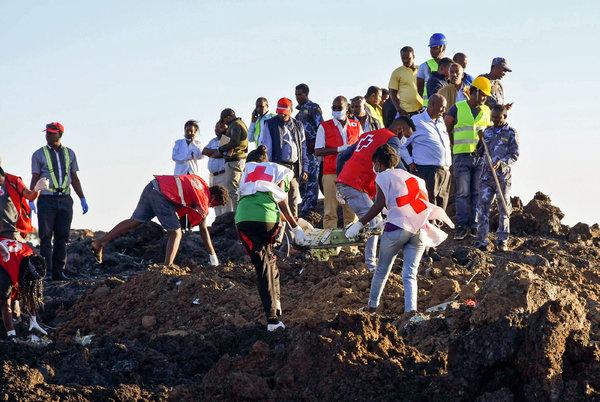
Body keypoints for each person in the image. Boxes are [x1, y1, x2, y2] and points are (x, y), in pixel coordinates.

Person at [345, 145, 453, 314]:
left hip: (397, 228)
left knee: (382, 270)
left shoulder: (383, 177)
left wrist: (360, 223)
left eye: (374, 164)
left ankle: (371, 308)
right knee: (410, 274)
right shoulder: (415, 178)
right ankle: (411, 312)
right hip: (420, 229)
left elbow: (378, 205)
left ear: (379, 164)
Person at [235, 145, 305, 331]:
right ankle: (277, 303)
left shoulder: (246, 171)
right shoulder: (277, 169)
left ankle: (272, 319)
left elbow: (248, 200)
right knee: (270, 258)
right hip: (268, 220)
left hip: (245, 219)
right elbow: (281, 201)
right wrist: (295, 225)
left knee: (262, 266)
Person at [91, 175, 227, 267]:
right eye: (215, 205)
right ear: (214, 197)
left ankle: (100, 242)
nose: (211, 207)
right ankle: (167, 267)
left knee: (134, 221)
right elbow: (203, 230)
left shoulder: (199, 182)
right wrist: (213, 256)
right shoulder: (204, 199)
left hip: (153, 185)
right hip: (162, 196)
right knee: (176, 233)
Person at [336, 118, 414, 271]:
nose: (403, 140)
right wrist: (410, 180)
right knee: (375, 223)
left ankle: (369, 254)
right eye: (405, 134)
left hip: (349, 182)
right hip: (356, 184)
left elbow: (342, 157)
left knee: (374, 221)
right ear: (399, 129)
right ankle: (372, 266)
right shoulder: (392, 139)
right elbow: (394, 161)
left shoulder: (369, 134)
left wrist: (339, 181)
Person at [30, 122, 88, 281]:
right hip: (46, 200)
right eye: (47, 132)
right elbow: (35, 177)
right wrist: (31, 198)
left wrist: (82, 197)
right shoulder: (38, 154)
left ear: (59, 134)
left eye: (51, 133)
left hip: (65, 200)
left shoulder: (70, 153)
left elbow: (74, 177)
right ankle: (46, 273)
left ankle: (58, 272)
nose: (48, 135)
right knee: (45, 237)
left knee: (62, 236)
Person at [444, 76, 493, 239]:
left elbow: (490, 133)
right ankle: (462, 226)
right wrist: (452, 146)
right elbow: (447, 127)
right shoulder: (457, 108)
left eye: (486, 96)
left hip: (480, 158)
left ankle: (474, 226)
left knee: (477, 192)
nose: (484, 98)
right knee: (463, 193)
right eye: (482, 95)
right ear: (474, 92)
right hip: (461, 155)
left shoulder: (487, 111)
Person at [475, 104, 519, 251]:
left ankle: (502, 241)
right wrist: (479, 143)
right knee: (482, 208)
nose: (494, 119)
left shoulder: (511, 133)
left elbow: (514, 155)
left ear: (505, 116)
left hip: (502, 178)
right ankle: (482, 241)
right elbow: (480, 152)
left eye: (497, 117)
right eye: (492, 117)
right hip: (486, 177)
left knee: (503, 209)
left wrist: (501, 163)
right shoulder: (487, 132)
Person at [315, 96, 361, 230]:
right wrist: (338, 149)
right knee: (330, 212)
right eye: (333, 108)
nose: (336, 110)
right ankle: (330, 246)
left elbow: (362, 147)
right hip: (331, 173)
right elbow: (318, 151)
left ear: (347, 109)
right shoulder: (324, 126)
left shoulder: (356, 125)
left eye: (339, 108)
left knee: (351, 212)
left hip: (351, 174)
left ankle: (351, 248)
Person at [400, 94, 452, 211]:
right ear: (432, 105)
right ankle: (427, 228)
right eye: (442, 107)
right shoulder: (416, 121)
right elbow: (402, 145)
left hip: (445, 170)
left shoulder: (441, 122)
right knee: (428, 205)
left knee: (441, 206)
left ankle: (437, 228)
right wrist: (410, 162)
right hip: (427, 170)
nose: (444, 110)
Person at [259, 97, 308, 218]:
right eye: (279, 113)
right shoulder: (270, 124)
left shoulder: (298, 125)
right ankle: (280, 234)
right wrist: (269, 170)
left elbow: (303, 148)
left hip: (294, 169)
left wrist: (305, 168)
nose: (282, 116)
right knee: (279, 201)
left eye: (284, 114)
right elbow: (267, 149)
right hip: (279, 168)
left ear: (291, 111)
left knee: (293, 201)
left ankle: (294, 234)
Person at [0, 238, 48, 341]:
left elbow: (31, 292)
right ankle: (9, 332)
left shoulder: (31, 255)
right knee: (4, 299)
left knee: (15, 305)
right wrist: (11, 336)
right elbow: (5, 305)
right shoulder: (8, 272)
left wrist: (33, 319)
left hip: (10, 254)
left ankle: (15, 322)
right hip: (3, 264)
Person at [294, 83, 323, 218]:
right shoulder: (298, 114)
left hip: (312, 151)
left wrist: (317, 145)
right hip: (302, 152)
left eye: (300, 94)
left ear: (306, 94)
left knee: (312, 179)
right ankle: (305, 207)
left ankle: (310, 208)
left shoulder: (313, 108)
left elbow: (320, 127)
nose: (297, 97)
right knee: (302, 181)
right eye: (296, 94)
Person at [0, 161, 48, 241]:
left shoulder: (13, 180)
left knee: (22, 252)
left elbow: (30, 196)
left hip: (11, 231)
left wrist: (36, 188)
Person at [218, 109, 249, 210]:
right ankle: (239, 213)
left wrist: (222, 148)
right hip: (237, 159)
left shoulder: (235, 125)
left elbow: (234, 142)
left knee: (233, 189)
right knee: (235, 188)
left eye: (223, 120)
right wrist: (223, 133)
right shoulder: (238, 124)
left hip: (234, 160)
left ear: (227, 117)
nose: (224, 123)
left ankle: (238, 214)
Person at [202, 121, 234, 217]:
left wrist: (213, 153)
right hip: (213, 176)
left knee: (225, 200)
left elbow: (223, 153)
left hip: (223, 174)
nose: (217, 129)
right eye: (216, 127)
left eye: (220, 127)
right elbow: (204, 151)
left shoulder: (226, 140)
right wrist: (215, 152)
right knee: (214, 199)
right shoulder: (213, 141)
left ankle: (226, 221)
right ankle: (218, 220)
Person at [388, 46, 423, 117]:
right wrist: (399, 110)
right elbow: (392, 93)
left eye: (408, 58)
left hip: (422, 110)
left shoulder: (421, 70)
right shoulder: (397, 72)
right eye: (403, 58)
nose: (405, 60)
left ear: (413, 56)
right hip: (405, 112)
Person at [417, 33, 447, 107]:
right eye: (431, 48)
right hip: (428, 108)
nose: (432, 50)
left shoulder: (450, 66)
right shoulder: (424, 67)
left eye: (435, 48)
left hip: (446, 107)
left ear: (443, 47)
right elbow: (419, 91)